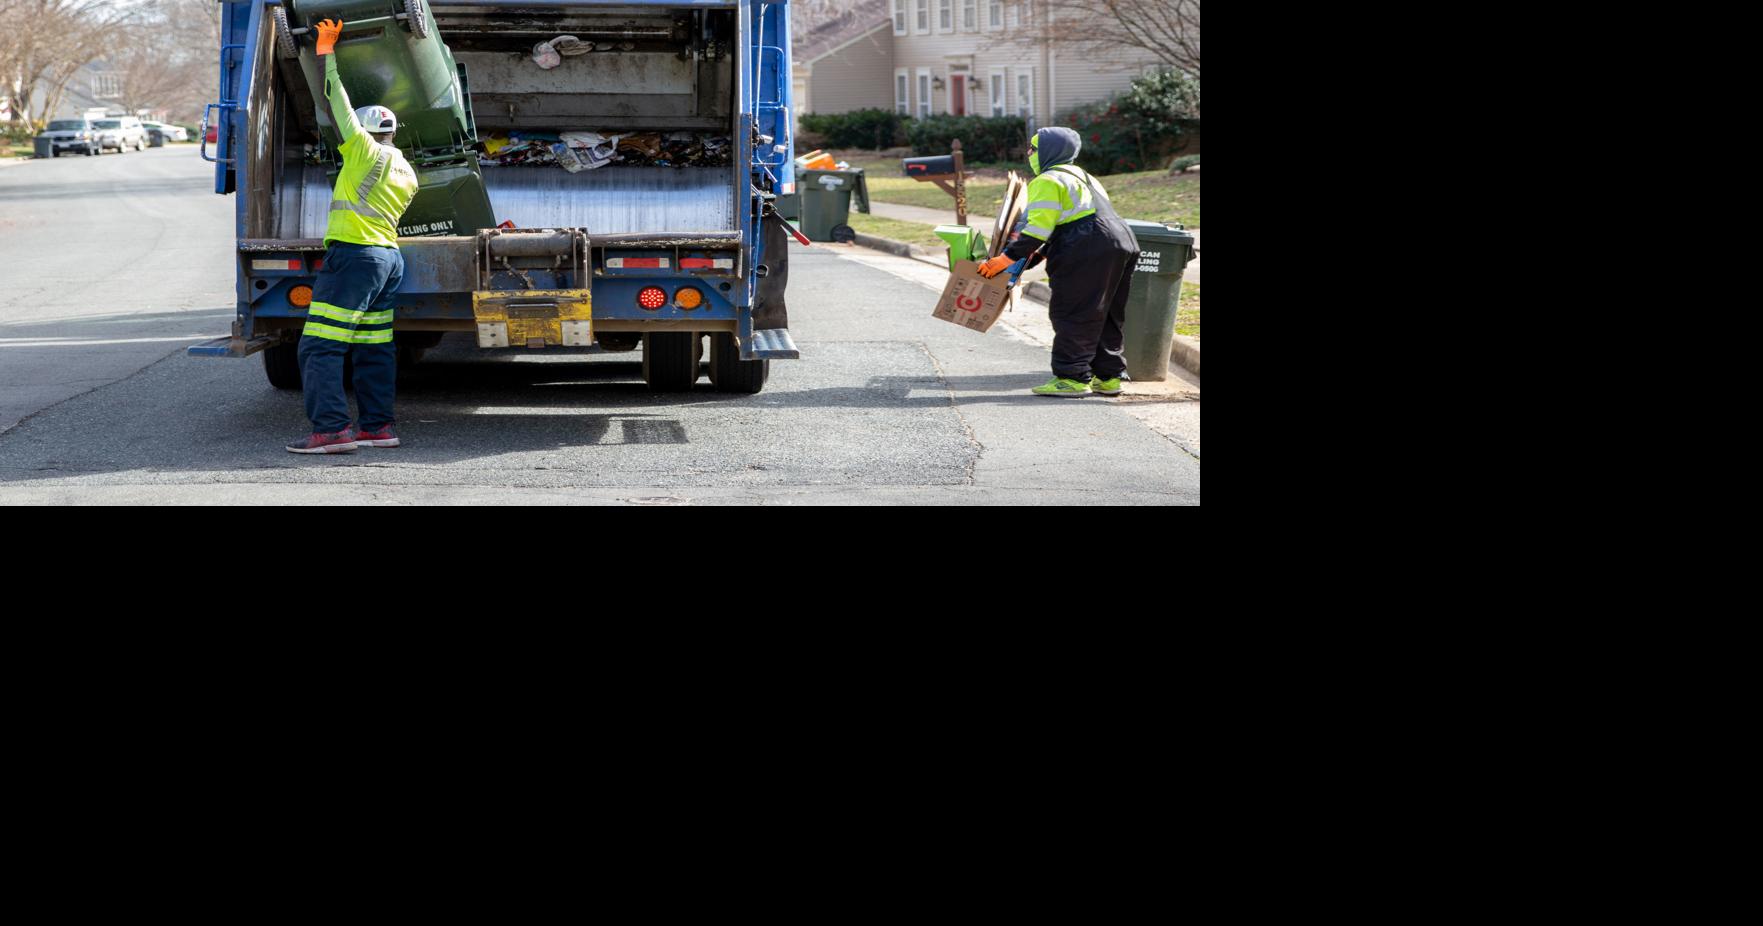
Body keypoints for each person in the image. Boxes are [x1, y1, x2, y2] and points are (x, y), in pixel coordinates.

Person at [286, 17, 422, 454]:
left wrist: (327, 54)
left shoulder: (362, 150)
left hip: (356, 259)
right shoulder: (407, 171)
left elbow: (336, 104)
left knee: (320, 347)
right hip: (388, 262)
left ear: (366, 133)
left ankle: (330, 431)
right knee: (374, 348)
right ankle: (378, 428)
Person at [980, 127, 1139, 397]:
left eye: (1033, 148)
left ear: (1049, 151)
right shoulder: (1085, 176)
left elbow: (1037, 231)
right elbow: (1064, 224)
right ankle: (1108, 377)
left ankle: (1072, 378)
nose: (1029, 154)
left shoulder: (1047, 180)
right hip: (1121, 240)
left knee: (1073, 311)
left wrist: (1003, 260)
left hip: (1087, 246)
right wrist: (1030, 260)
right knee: (1107, 311)